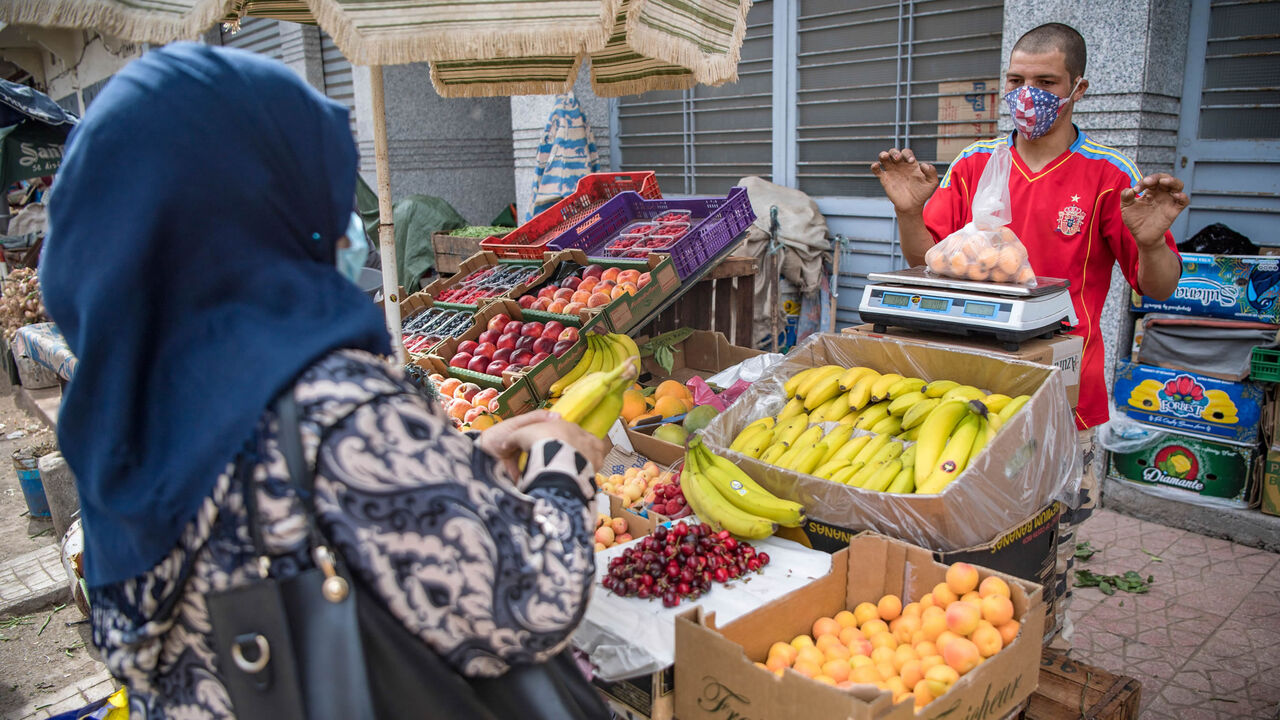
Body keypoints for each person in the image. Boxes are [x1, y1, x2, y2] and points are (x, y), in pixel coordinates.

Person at [41, 43, 607, 719]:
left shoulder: (123, 405)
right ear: (253, 199)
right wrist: (562, 470)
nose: (341, 227)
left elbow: (268, 539)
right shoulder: (328, 402)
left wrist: (446, 473)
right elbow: (530, 603)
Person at [871, 23, 1188, 645]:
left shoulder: (1107, 177)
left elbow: (1160, 288)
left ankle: (1039, 653)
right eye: (1017, 81)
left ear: (1079, 88)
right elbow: (925, 260)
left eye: (1046, 82)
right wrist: (910, 212)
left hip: (1064, 399)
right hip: (965, 387)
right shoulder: (972, 166)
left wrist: (1151, 243)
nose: (1028, 94)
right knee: (955, 538)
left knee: (1044, 549)